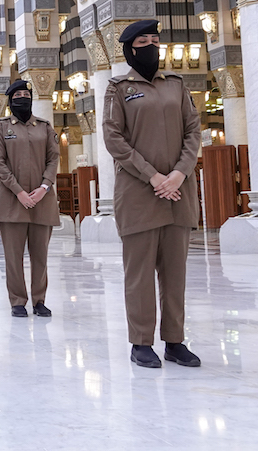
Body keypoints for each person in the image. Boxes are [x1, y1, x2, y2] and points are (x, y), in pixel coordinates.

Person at [103, 19, 202, 369]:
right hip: (139, 194)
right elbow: (114, 140)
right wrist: (154, 176)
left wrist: (178, 174)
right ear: (130, 49)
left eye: (154, 40)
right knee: (140, 273)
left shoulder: (176, 85)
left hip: (178, 192)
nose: (150, 46)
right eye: (142, 41)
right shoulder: (118, 88)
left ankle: (174, 341)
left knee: (175, 274)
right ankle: (141, 342)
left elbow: (193, 132)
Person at [0, 79, 60, 318]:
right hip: (12, 201)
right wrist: (19, 191)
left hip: (42, 200)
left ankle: (39, 300)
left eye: (26, 94)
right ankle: (17, 301)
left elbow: (53, 159)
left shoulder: (44, 127)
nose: (23, 97)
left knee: (40, 255)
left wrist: (44, 187)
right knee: (13, 256)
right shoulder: (1, 128)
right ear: (11, 100)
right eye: (17, 94)